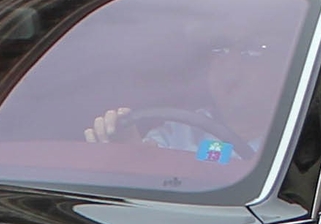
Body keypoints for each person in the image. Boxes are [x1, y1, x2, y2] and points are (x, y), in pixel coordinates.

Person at [80, 34, 289, 167]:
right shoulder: (183, 128)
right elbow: (151, 161)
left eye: (249, 53)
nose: (229, 64)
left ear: (283, 69)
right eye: (220, 51)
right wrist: (129, 149)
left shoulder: (297, 141)